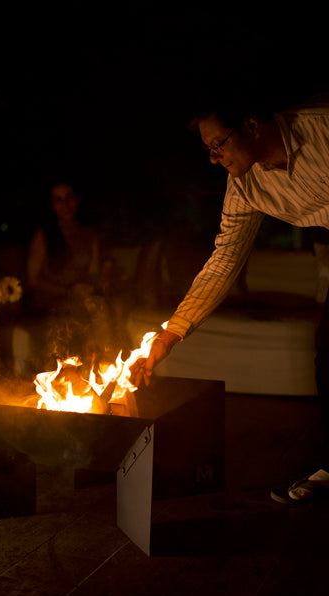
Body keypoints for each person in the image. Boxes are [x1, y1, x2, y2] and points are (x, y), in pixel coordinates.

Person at [129, 88, 329, 505]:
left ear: (252, 126)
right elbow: (224, 261)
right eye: (208, 150)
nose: (213, 158)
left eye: (218, 145)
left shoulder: (321, 129)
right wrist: (169, 335)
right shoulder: (245, 187)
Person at [25, 180, 115, 363]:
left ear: (77, 200)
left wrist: (103, 278)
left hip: (81, 296)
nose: (65, 205)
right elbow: (32, 279)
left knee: (104, 307)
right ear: (51, 205)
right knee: (79, 312)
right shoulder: (44, 236)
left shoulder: (89, 234)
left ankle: (105, 364)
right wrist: (68, 291)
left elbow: (94, 273)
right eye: (59, 200)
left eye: (69, 198)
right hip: (51, 298)